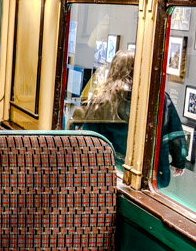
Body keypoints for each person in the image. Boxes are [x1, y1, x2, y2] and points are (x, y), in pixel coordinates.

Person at [73, 50, 187, 185]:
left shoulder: (102, 99)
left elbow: (90, 137)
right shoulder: (159, 98)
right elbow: (175, 134)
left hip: (110, 172)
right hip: (151, 174)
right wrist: (179, 161)